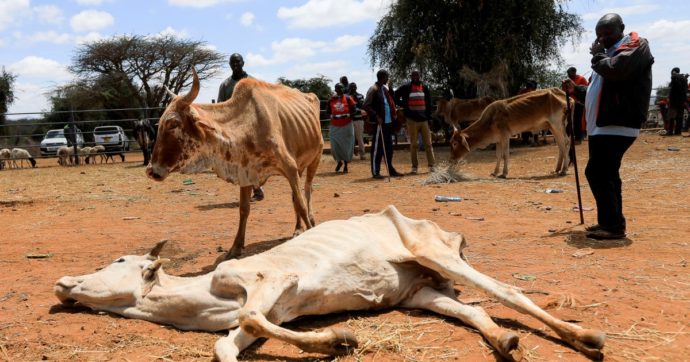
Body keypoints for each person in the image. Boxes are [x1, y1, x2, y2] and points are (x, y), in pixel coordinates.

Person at [562, 13, 654, 240]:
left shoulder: (635, 46)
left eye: (608, 33)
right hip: (601, 126)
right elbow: (599, 92)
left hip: (618, 123)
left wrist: (598, 56)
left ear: (621, 28)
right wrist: (576, 91)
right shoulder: (607, 55)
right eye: (599, 35)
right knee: (608, 174)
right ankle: (610, 222)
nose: (602, 39)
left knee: (597, 172)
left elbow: (616, 71)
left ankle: (613, 226)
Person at [217, 53, 264, 201]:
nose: (235, 64)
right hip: (233, 129)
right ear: (229, 64)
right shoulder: (225, 85)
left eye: (238, 61)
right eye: (232, 62)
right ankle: (256, 189)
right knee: (241, 160)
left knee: (250, 158)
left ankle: (256, 189)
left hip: (251, 127)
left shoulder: (253, 82)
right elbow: (220, 107)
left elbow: (261, 104)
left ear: (243, 63)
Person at [394, 70, 435, 174]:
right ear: (411, 76)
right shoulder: (406, 87)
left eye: (417, 75)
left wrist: (429, 118)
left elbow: (429, 104)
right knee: (413, 145)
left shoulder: (425, 87)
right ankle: (414, 167)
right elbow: (395, 96)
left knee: (428, 144)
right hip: (411, 120)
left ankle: (431, 166)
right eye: (413, 75)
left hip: (424, 120)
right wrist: (404, 104)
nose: (415, 77)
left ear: (420, 76)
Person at [363, 69, 402, 179]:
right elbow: (366, 105)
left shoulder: (384, 89)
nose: (388, 79)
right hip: (379, 123)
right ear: (382, 77)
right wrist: (376, 116)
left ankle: (390, 169)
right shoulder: (373, 89)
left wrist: (391, 89)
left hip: (388, 123)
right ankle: (376, 172)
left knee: (389, 148)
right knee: (377, 148)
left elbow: (391, 101)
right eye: (387, 77)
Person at [327, 83, 356, 173]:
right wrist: (332, 116)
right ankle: (339, 161)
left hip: (347, 125)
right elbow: (327, 112)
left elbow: (354, 111)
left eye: (340, 88)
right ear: (335, 90)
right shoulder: (331, 100)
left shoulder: (348, 98)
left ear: (343, 89)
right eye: (337, 88)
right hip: (335, 125)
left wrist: (347, 115)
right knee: (334, 144)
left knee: (347, 145)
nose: (339, 90)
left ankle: (346, 165)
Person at [567, 67, 589, 142]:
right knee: (569, 120)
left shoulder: (581, 79)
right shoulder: (568, 81)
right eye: (567, 73)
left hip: (579, 103)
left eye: (569, 73)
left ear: (574, 72)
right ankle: (568, 137)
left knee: (577, 120)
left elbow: (586, 91)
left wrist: (574, 92)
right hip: (569, 103)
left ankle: (578, 138)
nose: (568, 75)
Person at [667, 67, 688, 135]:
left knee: (672, 117)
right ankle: (678, 132)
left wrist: (673, 76)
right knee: (679, 117)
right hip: (682, 101)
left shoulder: (674, 77)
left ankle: (670, 132)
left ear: (673, 71)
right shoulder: (684, 78)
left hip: (674, 100)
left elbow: (673, 86)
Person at [349, 82, 366, 160]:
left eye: (354, 87)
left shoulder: (360, 96)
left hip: (359, 119)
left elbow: (362, 106)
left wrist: (355, 99)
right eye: (351, 87)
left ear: (356, 87)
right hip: (349, 120)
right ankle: (350, 155)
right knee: (350, 138)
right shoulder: (347, 97)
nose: (353, 88)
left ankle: (362, 154)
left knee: (359, 138)